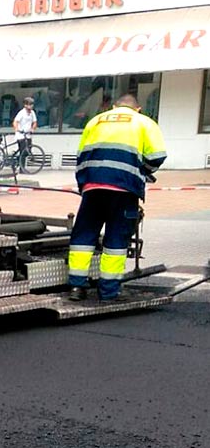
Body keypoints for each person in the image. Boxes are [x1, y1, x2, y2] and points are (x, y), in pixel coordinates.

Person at [67, 94, 167, 303]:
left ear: (113, 107)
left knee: (84, 236)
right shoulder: (143, 122)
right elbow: (157, 156)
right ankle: (108, 292)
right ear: (137, 108)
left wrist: (84, 183)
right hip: (124, 188)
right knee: (116, 239)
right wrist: (142, 171)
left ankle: (76, 287)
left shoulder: (96, 121)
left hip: (93, 186)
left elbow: (81, 155)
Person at [12, 96, 38, 170]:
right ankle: (22, 168)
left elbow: (35, 122)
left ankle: (17, 161)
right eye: (29, 104)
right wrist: (17, 129)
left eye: (32, 104)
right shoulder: (21, 113)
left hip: (28, 135)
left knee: (27, 151)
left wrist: (33, 129)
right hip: (21, 135)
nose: (31, 106)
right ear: (25, 105)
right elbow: (15, 122)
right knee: (23, 151)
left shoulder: (32, 113)